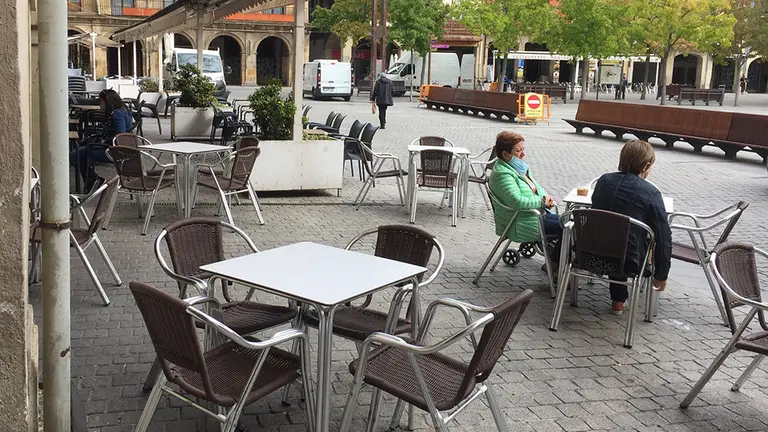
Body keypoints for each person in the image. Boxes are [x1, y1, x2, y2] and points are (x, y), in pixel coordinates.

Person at [591, 139, 672, 315]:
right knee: (628, 240)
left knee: (614, 234)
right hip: (629, 263)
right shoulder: (650, 192)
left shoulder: (604, 181)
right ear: (646, 165)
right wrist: (661, 274)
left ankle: (618, 301)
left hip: (590, 255)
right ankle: (619, 302)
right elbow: (664, 235)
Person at [488, 131, 562, 271]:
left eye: (523, 149)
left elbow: (536, 188)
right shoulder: (503, 174)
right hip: (521, 221)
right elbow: (517, 201)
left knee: (570, 222)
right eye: (518, 150)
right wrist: (541, 202)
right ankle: (556, 266)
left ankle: (558, 263)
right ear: (506, 154)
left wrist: (547, 198)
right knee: (568, 228)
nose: (523, 154)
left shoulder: (518, 168)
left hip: (533, 216)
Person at [69, 89, 133, 191]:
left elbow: (120, 136)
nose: (100, 104)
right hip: (117, 149)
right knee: (80, 153)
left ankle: (93, 180)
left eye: (101, 101)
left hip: (112, 151)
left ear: (107, 101)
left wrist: (105, 141)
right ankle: (92, 180)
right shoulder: (123, 110)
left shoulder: (117, 114)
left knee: (74, 155)